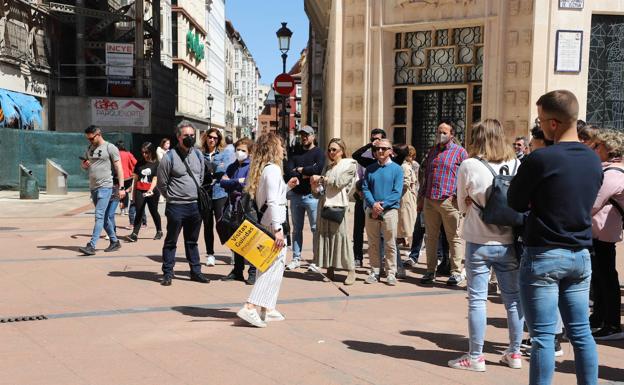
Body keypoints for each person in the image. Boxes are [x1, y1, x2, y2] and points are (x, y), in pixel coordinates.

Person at [508, 90, 601, 385]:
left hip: (545, 254)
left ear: (552, 123)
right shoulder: (593, 159)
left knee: (543, 338)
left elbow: (515, 202)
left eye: (539, 119)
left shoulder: (541, 159)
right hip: (580, 254)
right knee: (581, 334)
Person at [448, 119, 524, 372]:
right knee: (513, 300)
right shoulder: (516, 163)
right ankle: (514, 353)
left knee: (477, 300)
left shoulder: (469, 164)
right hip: (509, 241)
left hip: (479, 240)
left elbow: (460, 204)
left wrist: (471, 200)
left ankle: (476, 356)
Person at [236, 133, 298, 327]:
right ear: (273, 148)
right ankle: (250, 306)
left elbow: (275, 196)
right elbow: (272, 201)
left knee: (274, 266)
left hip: (270, 221)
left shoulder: (266, 170)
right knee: (271, 267)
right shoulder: (272, 170)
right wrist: (278, 229)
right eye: (280, 145)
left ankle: (267, 306)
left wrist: (286, 187)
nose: (283, 148)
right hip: (273, 224)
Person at [156, 121, 209, 286]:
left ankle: (196, 272)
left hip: (195, 206)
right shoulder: (169, 157)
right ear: (178, 137)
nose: (190, 138)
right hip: (176, 207)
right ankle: (167, 273)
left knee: (192, 241)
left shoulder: (199, 155)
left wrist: (194, 192)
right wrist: (171, 196)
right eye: (186, 136)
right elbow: (162, 183)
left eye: (192, 135)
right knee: (171, 241)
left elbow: (200, 177)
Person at [419, 120, 468, 286]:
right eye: (439, 131)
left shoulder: (460, 152)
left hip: (448, 201)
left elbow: (466, 177)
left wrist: (458, 196)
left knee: (453, 237)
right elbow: (426, 174)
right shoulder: (432, 150)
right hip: (430, 200)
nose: (441, 135)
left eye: (444, 132)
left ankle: (455, 272)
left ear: (452, 135)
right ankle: (430, 270)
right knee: (430, 237)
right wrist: (422, 196)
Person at [589, 129, 624, 340]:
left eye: (597, 146)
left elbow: (592, 204)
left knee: (606, 278)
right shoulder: (610, 170)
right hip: (601, 232)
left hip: (604, 233)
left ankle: (611, 323)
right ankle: (600, 317)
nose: (594, 150)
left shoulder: (612, 174)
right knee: (600, 277)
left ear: (609, 150)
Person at [310, 138, 358, 285]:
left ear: (342, 151)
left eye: (334, 150)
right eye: (329, 150)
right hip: (324, 204)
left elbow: (339, 182)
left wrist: (322, 179)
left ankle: (351, 270)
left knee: (341, 236)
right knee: (326, 236)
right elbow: (319, 192)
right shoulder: (328, 167)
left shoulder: (350, 165)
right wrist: (313, 186)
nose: (331, 152)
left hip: (338, 206)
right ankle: (330, 268)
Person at [78, 125, 126, 255]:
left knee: (99, 215)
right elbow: (85, 166)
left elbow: (119, 168)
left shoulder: (110, 148)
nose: (90, 141)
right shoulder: (89, 148)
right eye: (88, 139)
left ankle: (91, 245)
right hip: (93, 187)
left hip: (106, 186)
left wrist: (122, 188)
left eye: (91, 138)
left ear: (98, 134)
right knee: (104, 218)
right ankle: (115, 241)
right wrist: (84, 165)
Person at [362, 138, 403, 286]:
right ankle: (375, 271)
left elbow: (397, 192)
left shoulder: (397, 169)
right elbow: (365, 188)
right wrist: (373, 204)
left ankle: (391, 272)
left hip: (389, 211)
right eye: (377, 149)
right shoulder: (370, 169)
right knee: (373, 243)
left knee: (390, 243)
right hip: (372, 210)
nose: (380, 151)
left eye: (384, 148)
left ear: (390, 151)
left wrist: (382, 206)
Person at [285, 125, 325, 270]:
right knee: (296, 229)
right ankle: (296, 258)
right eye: (302, 135)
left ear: (313, 136)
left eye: (307, 135)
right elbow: (289, 172)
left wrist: (301, 170)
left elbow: (318, 169)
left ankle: (316, 259)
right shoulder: (295, 152)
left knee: (315, 228)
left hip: (312, 195)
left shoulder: (319, 152)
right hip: (296, 195)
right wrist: (306, 173)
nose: (304, 137)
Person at [220, 137, 256, 285]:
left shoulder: (251, 167)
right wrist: (236, 182)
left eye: (243, 150)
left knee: (250, 240)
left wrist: (232, 183)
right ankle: (237, 270)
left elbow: (247, 185)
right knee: (236, 240)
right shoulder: (232, 167)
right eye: (238, 149)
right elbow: (223, 182)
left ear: (249, 152)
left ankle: (253, 272)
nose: (239, 152)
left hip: (247, 206)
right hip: (232, 207)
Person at [352, 128, 387, 268]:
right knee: (358, 229)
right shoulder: (365, 156)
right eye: (373, 139)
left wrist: (383, 144)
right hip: (363, 196)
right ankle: (357, 257)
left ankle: (381, 258)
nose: (375, 142)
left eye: (378, 139)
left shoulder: (386, 157)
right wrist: (359, 190)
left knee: (381, 231)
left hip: (379, 198)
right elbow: (358, 174)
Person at [200, 128, 228, 266]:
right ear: (206, 138)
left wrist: (213, 169)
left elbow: (224, 170)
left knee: (222, 223)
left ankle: (233, 251)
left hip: (220, 192)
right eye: (210, 137)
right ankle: (210, 254)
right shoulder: (199, 154)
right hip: (205, 193)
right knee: (207, 225)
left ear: (219, 140)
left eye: (215, 138)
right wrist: (215, 169)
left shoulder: (223, 154)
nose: (212, 140)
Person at [125, 142, 163, 242]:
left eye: (147, 152)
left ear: (151, 152)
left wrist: (150, 190)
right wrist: (133, 195)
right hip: (139, 190)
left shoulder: (156, 163)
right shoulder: (139, 163)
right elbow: (136, 180)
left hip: (152, 191)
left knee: (153, 211)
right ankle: (134, 234)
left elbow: (155, 179)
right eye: (143, 152)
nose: (144, 155)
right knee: (139, 211)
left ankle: (159, 231)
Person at [395, 144, 418, 267]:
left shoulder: (404, 167)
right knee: (405, 223)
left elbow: (405, 183)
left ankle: (411, 248)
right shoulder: (406, 166)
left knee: (408, 223)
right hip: (407, 197)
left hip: (405, 197)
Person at [115, 140, 137, 216]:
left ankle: (122, 210)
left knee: (120, 192)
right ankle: (126, 208)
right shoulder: (128, 154)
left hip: (117, 177)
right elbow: (135, 163)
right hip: (128, 177)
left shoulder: (115, 154)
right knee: (126, 193)